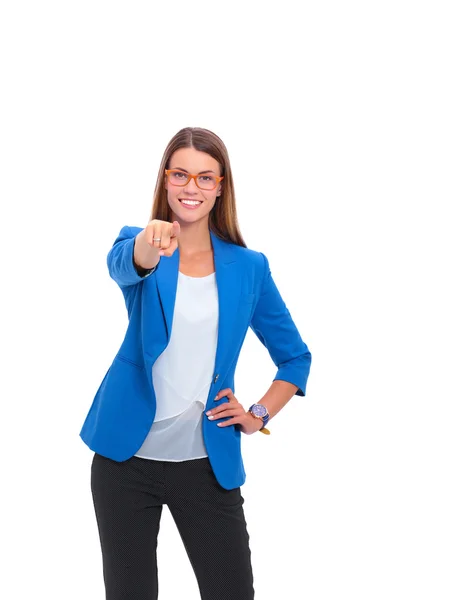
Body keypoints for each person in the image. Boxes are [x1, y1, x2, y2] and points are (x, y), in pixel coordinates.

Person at [79, 126, 312, 600]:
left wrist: (257, 416)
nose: (192, 187)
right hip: (125, 459)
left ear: (221, 187)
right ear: (165, 180)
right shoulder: (140, 242)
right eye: (181, 174)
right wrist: (151, 243)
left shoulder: (249, 267)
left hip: (206, 462)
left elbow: (295, 358)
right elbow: (127, 264)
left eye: (206, 178)